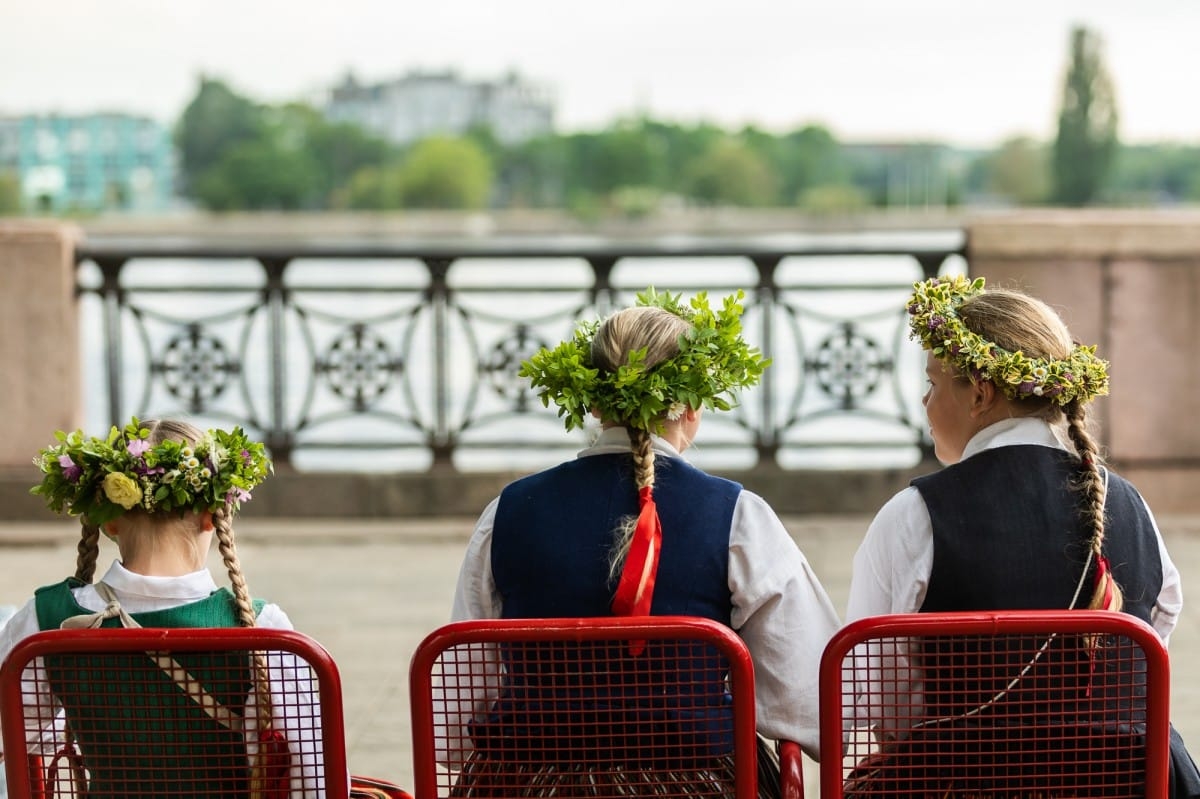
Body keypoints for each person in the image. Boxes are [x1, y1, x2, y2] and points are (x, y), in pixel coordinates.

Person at [440, 288, 841, 798]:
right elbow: (814, 702)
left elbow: (455, 711)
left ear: (590, 402)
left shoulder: (508, 511)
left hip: (528, 785)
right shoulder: (738, 515)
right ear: (692, 405)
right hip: (694, 786)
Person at [844, 275, 1200, 797]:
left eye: (934, 383)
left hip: (968, 782)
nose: (924, 401)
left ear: (980, 394)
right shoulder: (1129, 501)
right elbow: (1155, 633)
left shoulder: (915, 514)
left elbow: (867, 695)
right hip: (1131, 781)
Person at [0, 417, 328, 798]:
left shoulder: (48, 619)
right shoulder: (264, 630)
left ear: (109, 523)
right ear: (213, 516)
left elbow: (17, 737)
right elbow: (314, 773)